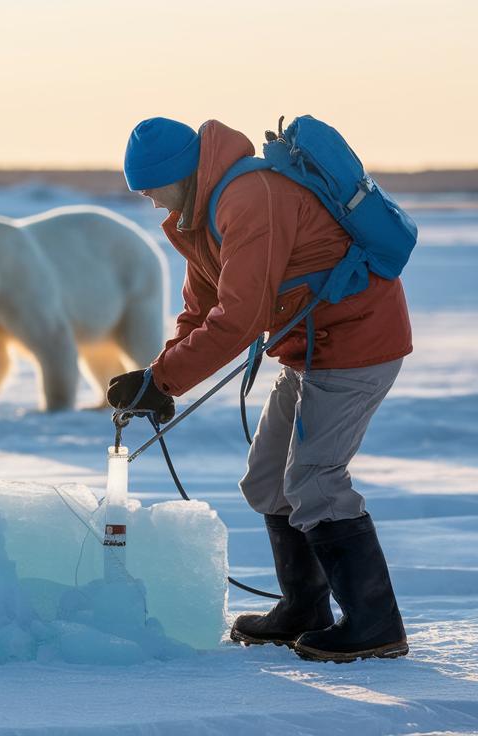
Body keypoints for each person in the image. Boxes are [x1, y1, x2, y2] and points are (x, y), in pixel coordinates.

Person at [109, 117, 412, 662]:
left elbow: (241, 318)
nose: (152, 203)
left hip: (357, 340)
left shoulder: (250, 197)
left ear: (180, 174)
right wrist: (156, 378)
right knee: (269, 478)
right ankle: (305, 608)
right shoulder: (196, 218)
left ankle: (375, 624)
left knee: (315, 479)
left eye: (151, 188)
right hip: (308, 350)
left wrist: (166, 380)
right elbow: (202, 310)